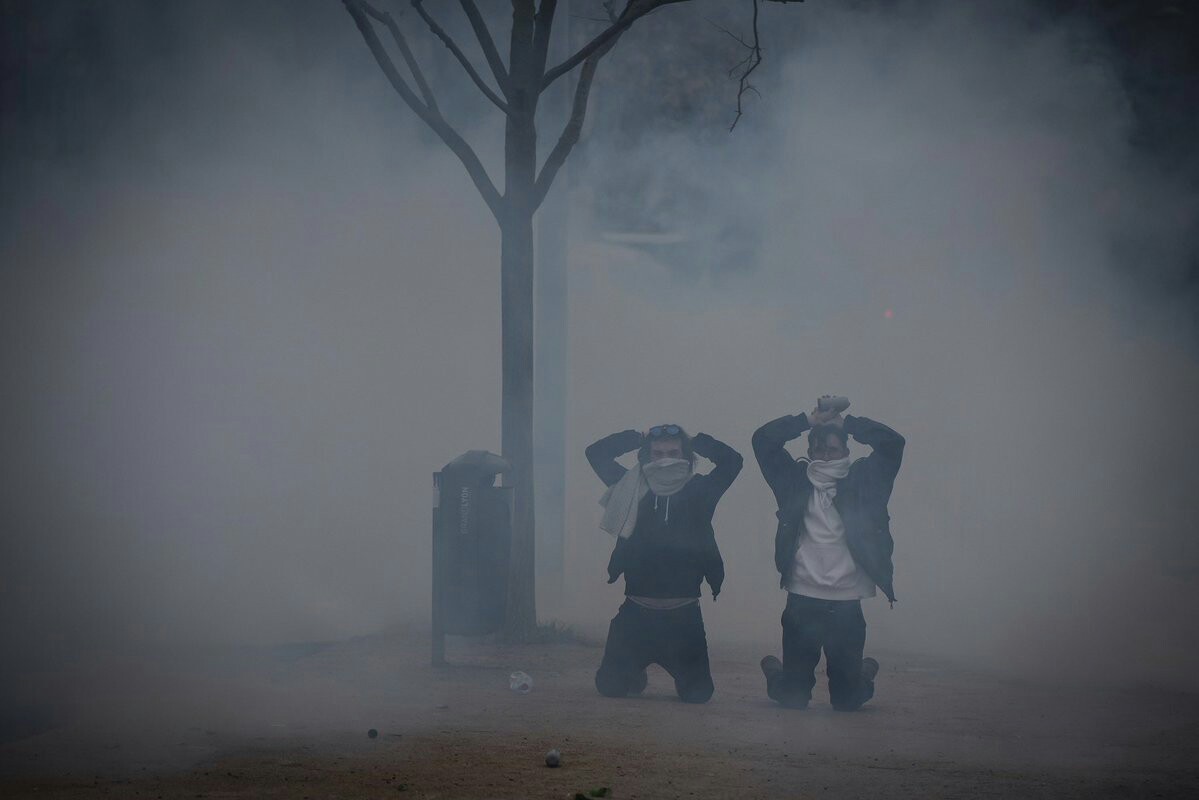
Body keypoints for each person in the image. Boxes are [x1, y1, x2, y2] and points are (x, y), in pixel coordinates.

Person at [752, 398, 904, 710]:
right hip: (801, 601)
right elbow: (763, 440)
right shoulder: (795, 482)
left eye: (833, 450)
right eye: (819, 451)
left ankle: (863, 672)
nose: (825, 456)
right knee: (792, 698)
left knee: (847, 703)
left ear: (846, 453)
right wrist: (808, 420)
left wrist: (845, 424)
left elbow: (893, 444)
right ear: (809, 454)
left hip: (846, 604)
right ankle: (775, 672)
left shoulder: (865, 482)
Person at [585, 424, 743, 703]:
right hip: (636, 614)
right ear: (646, 458)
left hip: (683, 619)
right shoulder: (631, 486)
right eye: (657, 454)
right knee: (610, 688)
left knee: (698, 695)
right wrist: (636, 438)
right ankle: (633, 672)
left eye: (673, 452)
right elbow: (595, 453)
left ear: (687, 457)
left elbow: (733, 461)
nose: (665, 459)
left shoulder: (701, 491)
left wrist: (695, 440)